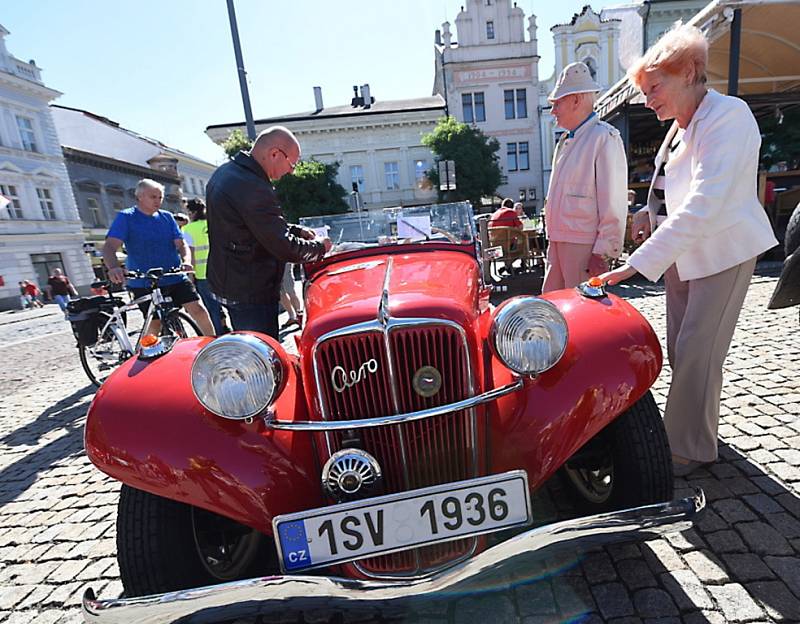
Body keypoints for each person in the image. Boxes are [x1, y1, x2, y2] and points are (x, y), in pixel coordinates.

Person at [598, 25, 778, 476]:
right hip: (685, 254)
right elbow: (666, 183)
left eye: (654, 88)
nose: (646, 100)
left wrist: (635, 266)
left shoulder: (727, 115)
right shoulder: (680, 126)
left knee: (699, 347)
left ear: (690, 72)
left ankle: (686, 448)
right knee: (682, 348)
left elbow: (706, 202)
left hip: (722, 250)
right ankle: (699, 431)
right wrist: (647, 210)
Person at [206, 126, 331, 338]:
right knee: (263, 356)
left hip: (232, 281)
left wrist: (296, 231)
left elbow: (250, 226)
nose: (291, 171)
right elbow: (284, 247)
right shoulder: (251, 185)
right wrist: (320, 247)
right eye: (292, 163)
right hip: (251, 290)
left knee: (250, 349)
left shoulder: (227, 173)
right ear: (274, 154)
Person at [542, 61, 628, 292]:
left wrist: (603, 251)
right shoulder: (567, 141)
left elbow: (614, 201)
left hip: (584, 246)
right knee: (553, 305)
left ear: (576, 100)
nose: (553, 111)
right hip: (560, 241)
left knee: (582, 312)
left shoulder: (604, 137)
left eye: (557, 103)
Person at [103, 178, 215, 336]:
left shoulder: (167, 217)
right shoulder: (127, 217)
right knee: (155, 322)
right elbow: (109, 247)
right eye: (153, 197)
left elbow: (181, 244)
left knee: (198, 310)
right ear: (140, 196)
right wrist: (113, 267)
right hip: (144, 281)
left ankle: (213, 344)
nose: (158, 201)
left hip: (173, 276)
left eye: (160, 197)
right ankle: (150, 355)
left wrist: (187, 261)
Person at [182, 198, 228, 335]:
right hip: (223, 271)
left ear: (192, 212)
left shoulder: (187, 229)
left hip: (203, 275)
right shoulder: (214, 224)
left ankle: (218, 337)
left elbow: (192, 255)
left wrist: (190, 278)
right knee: (232, 305)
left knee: (212, 308)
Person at [280, 263, 303, 330]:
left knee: (290, 291)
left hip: (284, 261)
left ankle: (299, 316)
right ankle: (291, 317)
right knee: (281, 293)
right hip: (274, 263)